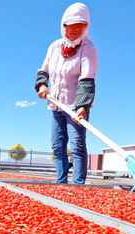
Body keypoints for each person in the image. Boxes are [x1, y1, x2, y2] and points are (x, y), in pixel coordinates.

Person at [35, 3, 97, 184]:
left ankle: (78, 186)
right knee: (57, 145)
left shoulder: (89, 48)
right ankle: (61, 183)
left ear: (86, 26)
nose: (77, 28)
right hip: (56, 104)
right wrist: (42, 85)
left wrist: (82, 107)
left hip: (76, 105)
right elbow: (44, 70)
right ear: (64, 26)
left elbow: (87, 79)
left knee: (77, 145)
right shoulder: (54, 47)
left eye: (82, 24)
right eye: (72, 24)